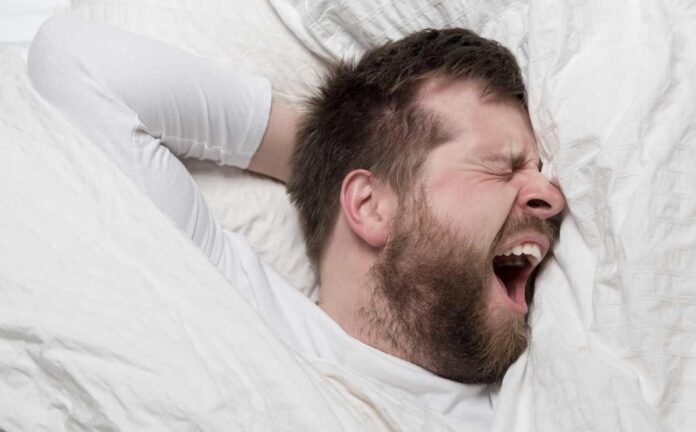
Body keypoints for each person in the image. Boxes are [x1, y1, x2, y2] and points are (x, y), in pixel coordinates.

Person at [28, 15, 564, 428]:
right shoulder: (231, 306)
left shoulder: (546, 395)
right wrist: (320, 166)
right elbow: (74, 62)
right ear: (370, 206)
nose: (551, 195)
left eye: (539, 171)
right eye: (504, 167)